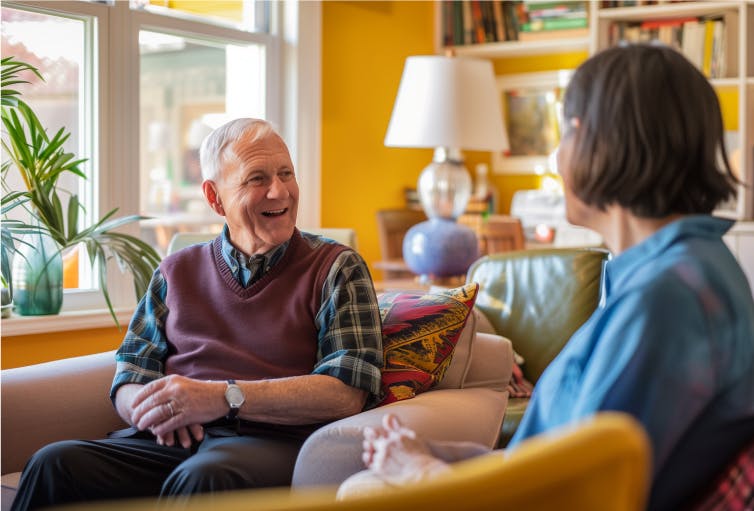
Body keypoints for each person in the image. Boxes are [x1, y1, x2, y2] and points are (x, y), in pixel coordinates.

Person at [344, 44, 754, 511]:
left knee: (359, 490)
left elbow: (584, 490)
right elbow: (562, 452)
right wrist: (442, 457)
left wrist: (421, 472)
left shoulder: (669, 298)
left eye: (565, 134)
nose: (557, 158)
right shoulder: (674, 271)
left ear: (597, 142)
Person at [11, 118, 384, 510]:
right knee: (53, 463)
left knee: (204, 478)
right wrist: (157, 409)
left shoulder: (336, 267)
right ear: (215, 197)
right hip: (170, 439)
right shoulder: (176, 270)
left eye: (286, 173)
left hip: (270, 440)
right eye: (257, 178)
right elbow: (130, 375)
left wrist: (223, 397)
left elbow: (348, 391)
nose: (279, 191)